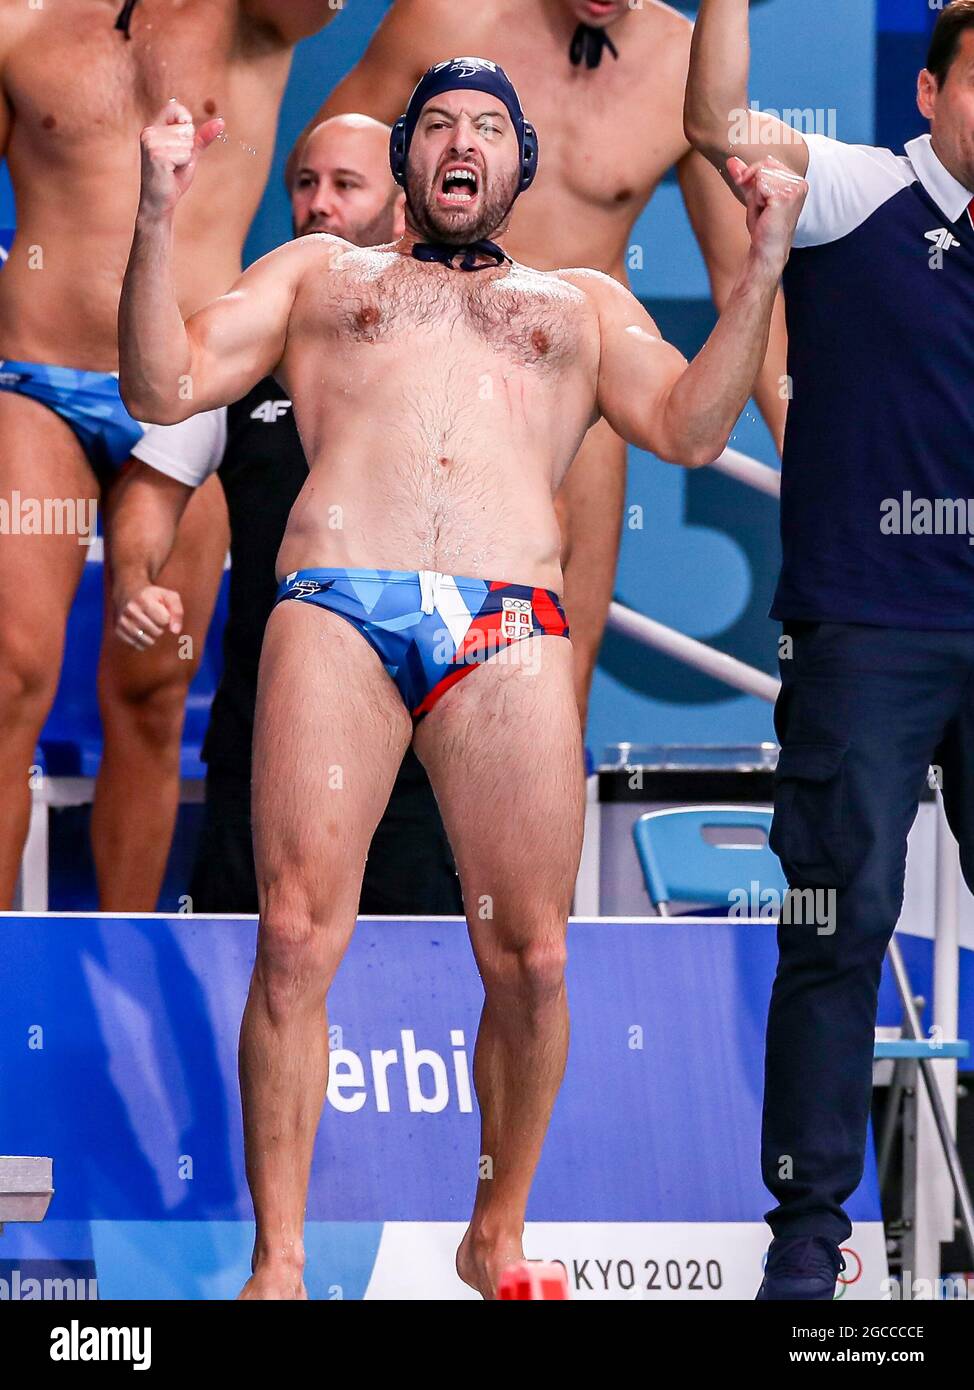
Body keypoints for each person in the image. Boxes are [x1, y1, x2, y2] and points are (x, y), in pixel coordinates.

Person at [119, 58, 805, 1299]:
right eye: (435, 122)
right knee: (290, 940)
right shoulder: (321, 279)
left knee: (533, 958)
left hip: (508, 624)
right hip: (338, 605)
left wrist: (758, 268)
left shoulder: (581, 304)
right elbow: (160, 384)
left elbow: (694, 430)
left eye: (487, 126)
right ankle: (277, 1261)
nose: (460, 140)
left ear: (517, 166)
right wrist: (158, 207)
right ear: (407, 164)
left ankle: (494, 1230)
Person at [685, 0, 974, 1300]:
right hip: (865, 627)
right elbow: (709, 126)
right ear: (928, 94)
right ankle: (807, 1237)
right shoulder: (850, 190)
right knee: (833, 921)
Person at [293, 0, 791, 731]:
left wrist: (802, 453)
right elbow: (326, 172)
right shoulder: (444, 18)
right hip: (420, 357)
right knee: (369, 672)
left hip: (573, 383)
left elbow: (741, 277)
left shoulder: (685, 59)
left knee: (557, 680)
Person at [0, 0, 339, 909]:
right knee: (6, 680)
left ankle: (126, 949)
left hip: (186, 381)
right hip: (38, 381)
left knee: (154, 692)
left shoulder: (251, 15)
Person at [112, 114, 462, 916]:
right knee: (255, 983)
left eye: (346, 185)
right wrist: (135, 577)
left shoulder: (458, 351)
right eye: (305, 184)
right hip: (263, 743)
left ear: (403, 205)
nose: (319, 204)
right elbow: (149, 486)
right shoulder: (250, 355)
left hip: (421, 751)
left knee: (416, 997)